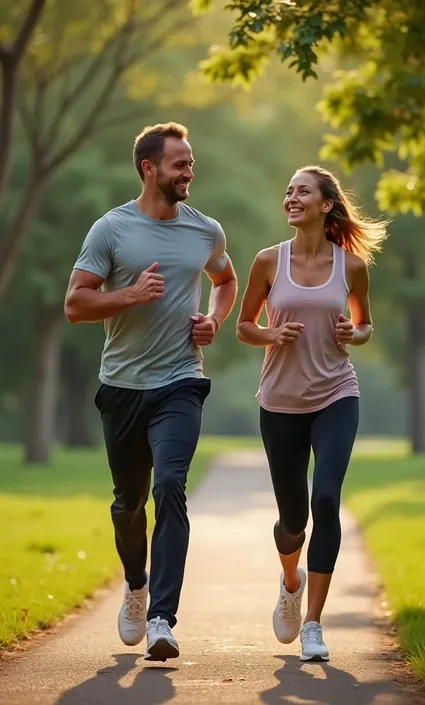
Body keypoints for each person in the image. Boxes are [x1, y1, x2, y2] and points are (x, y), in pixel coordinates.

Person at [64, 122, 237, 662]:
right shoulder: (110, 230)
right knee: (128, 504)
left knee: (170, 489)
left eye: (190, 162)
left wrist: (213, 318)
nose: (189, 171)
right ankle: (136, 588)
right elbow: (75, 304)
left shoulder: (205, 230)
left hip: (181, 381)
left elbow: (225, 281)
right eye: (180, 164)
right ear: (149, 168)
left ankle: (162, 617)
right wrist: (131, 295)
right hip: (122, 387)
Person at [236, 165, 387, 662]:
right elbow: (243, 327)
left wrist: (353, 334)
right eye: (288, 191)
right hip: (280, 401)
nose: (291, 197)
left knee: (326, 498)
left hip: (336, 394)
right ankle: (290, 580)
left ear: (326, 204)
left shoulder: (352, 267)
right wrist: (270, 335)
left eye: (302, 191)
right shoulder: (266, 262)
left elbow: (365, 325)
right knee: (293, 518)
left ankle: (314, 626)